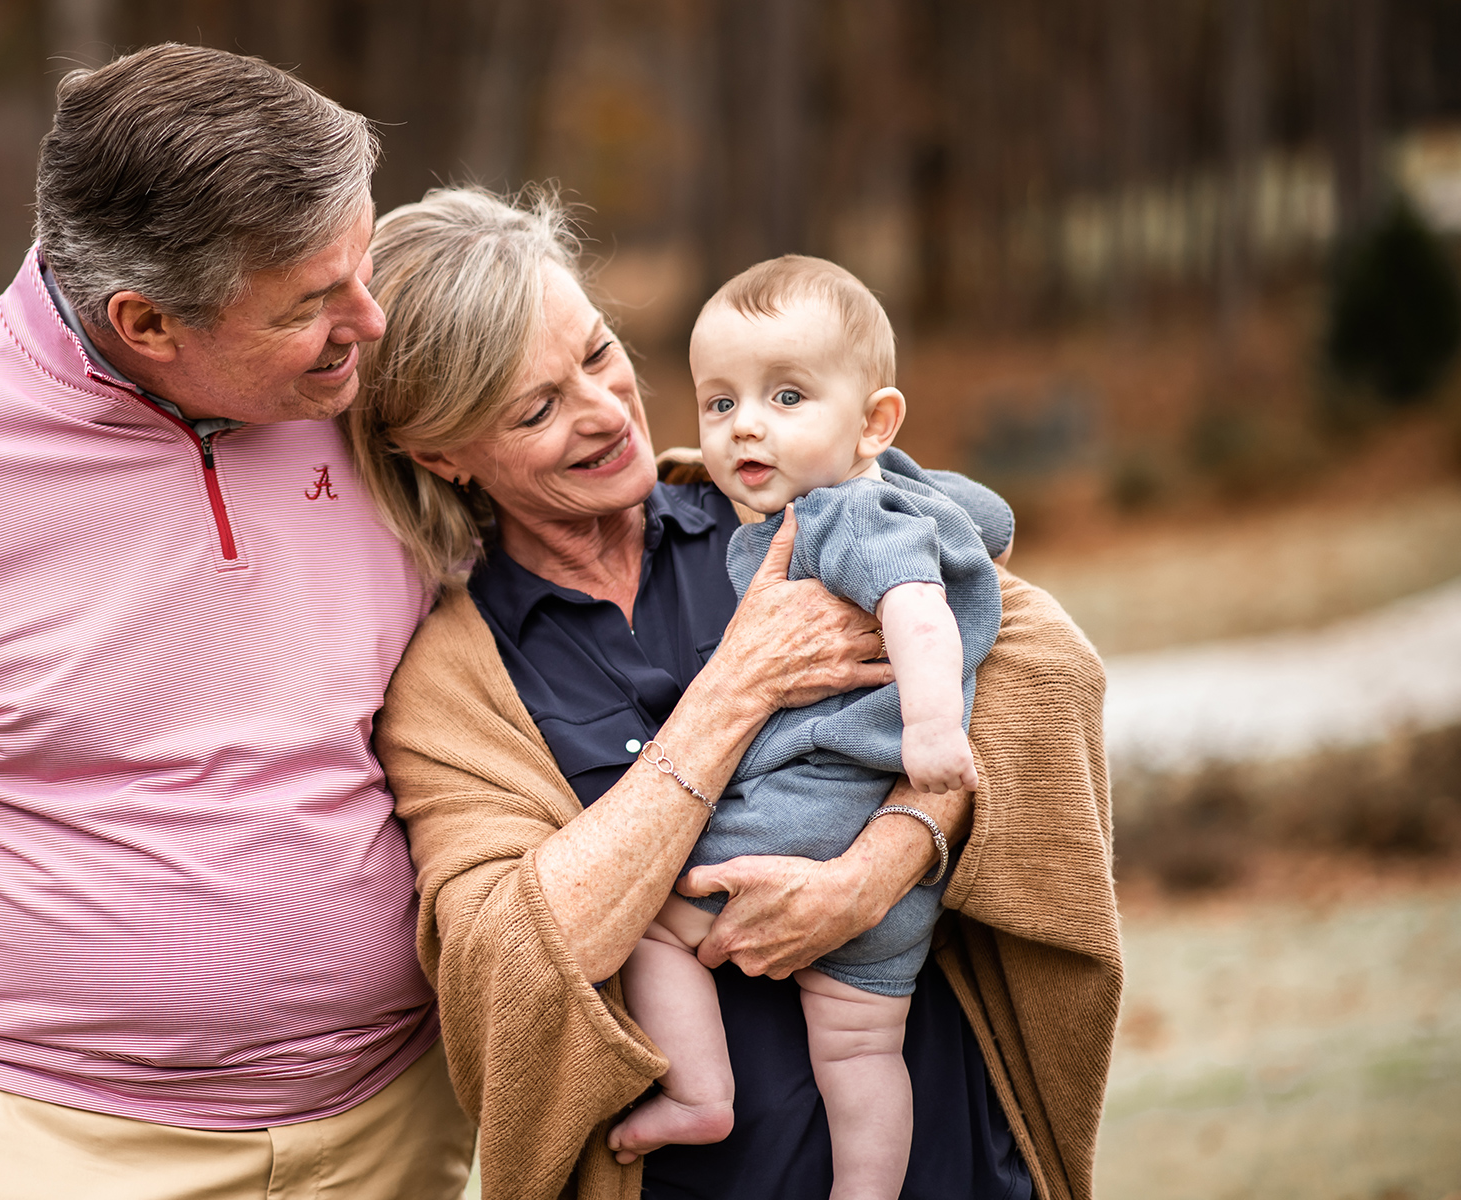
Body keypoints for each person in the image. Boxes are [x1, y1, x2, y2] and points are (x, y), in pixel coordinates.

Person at [0, 46, 474, 1200]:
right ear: (147, 322)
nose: (367, 324)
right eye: (312, 303)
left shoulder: (368, 396)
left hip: (403, 1125)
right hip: (73, 1156)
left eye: (360, 264)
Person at [344, 187, 1122, 1200]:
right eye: (535, 409)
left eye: (595, 353)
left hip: (941, 1153)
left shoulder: (780, 510)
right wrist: (733, 689)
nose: (601, 412)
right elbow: (510, 959)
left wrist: (876, 870)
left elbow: (1038, 676)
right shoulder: (455, 685)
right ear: (439, 453)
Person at [612, 254, 1011, 1199]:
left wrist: (929, 733)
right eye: (720, 403)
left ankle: (699, 1092)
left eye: (787, 396)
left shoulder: (841, 516)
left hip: (801, 812)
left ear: (874, 422)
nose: (746, 424)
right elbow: (988, 528)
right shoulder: (925, 499)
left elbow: (916, 610)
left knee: (639, 922)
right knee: (865, 1049)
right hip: (894, 879)